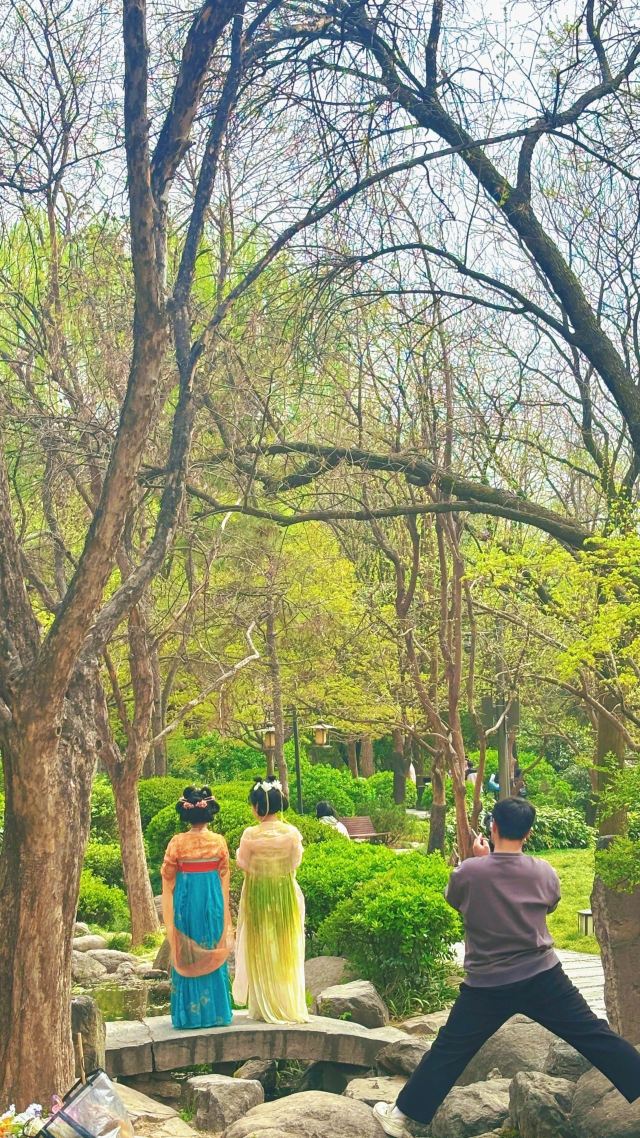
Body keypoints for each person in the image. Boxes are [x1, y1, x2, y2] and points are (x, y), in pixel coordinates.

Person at [374, 797, 640, 1137]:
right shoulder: (544, 871)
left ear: (493, 827)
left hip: (486, 984)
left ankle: (400, 1116)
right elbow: (550, 905)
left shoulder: (469, 872)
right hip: (543, 976)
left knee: (450, 1050)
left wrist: (479, 861)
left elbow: (456, 899)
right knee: (593, 1034)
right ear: (528, 833)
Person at [233, 776, 309, 1023]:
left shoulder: (250, 834)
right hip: (285, 893)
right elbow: (295, 862)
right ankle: (286, 1003)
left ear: (258, 806)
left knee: (261, 948)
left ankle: (263, 1004)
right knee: (285, 947)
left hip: (258, 895)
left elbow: (242, 863)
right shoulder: (292, 832)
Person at [161, 786, 233, 1030]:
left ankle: (189, 1016)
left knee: (187, 949)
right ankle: (217, 1013)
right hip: (212, 898)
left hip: (187, 898)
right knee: (211, 942)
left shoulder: (177, 842)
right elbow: (224, 871)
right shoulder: (218, 841)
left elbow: (167, 873)